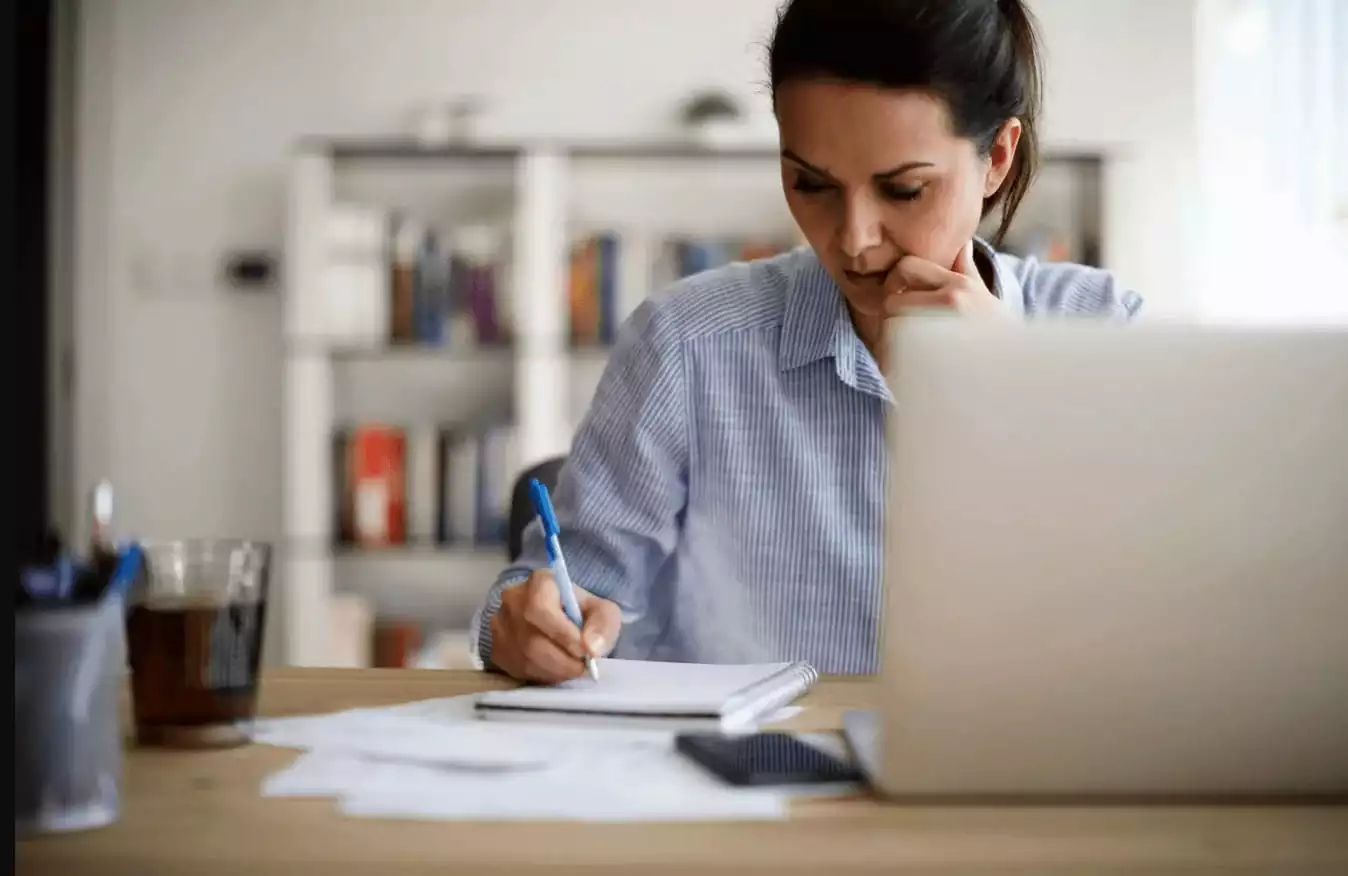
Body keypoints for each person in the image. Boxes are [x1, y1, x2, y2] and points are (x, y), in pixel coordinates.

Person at [471, 0, 1143, 682]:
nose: (853, 240)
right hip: (738, 774)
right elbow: (555, 590)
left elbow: (1150, 619)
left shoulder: (1105, 332)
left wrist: (1015, 389)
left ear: (998, 157)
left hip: (1015, 775)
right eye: (810, 183)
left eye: (904, 189)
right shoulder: (687, 343)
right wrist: (525, 622)